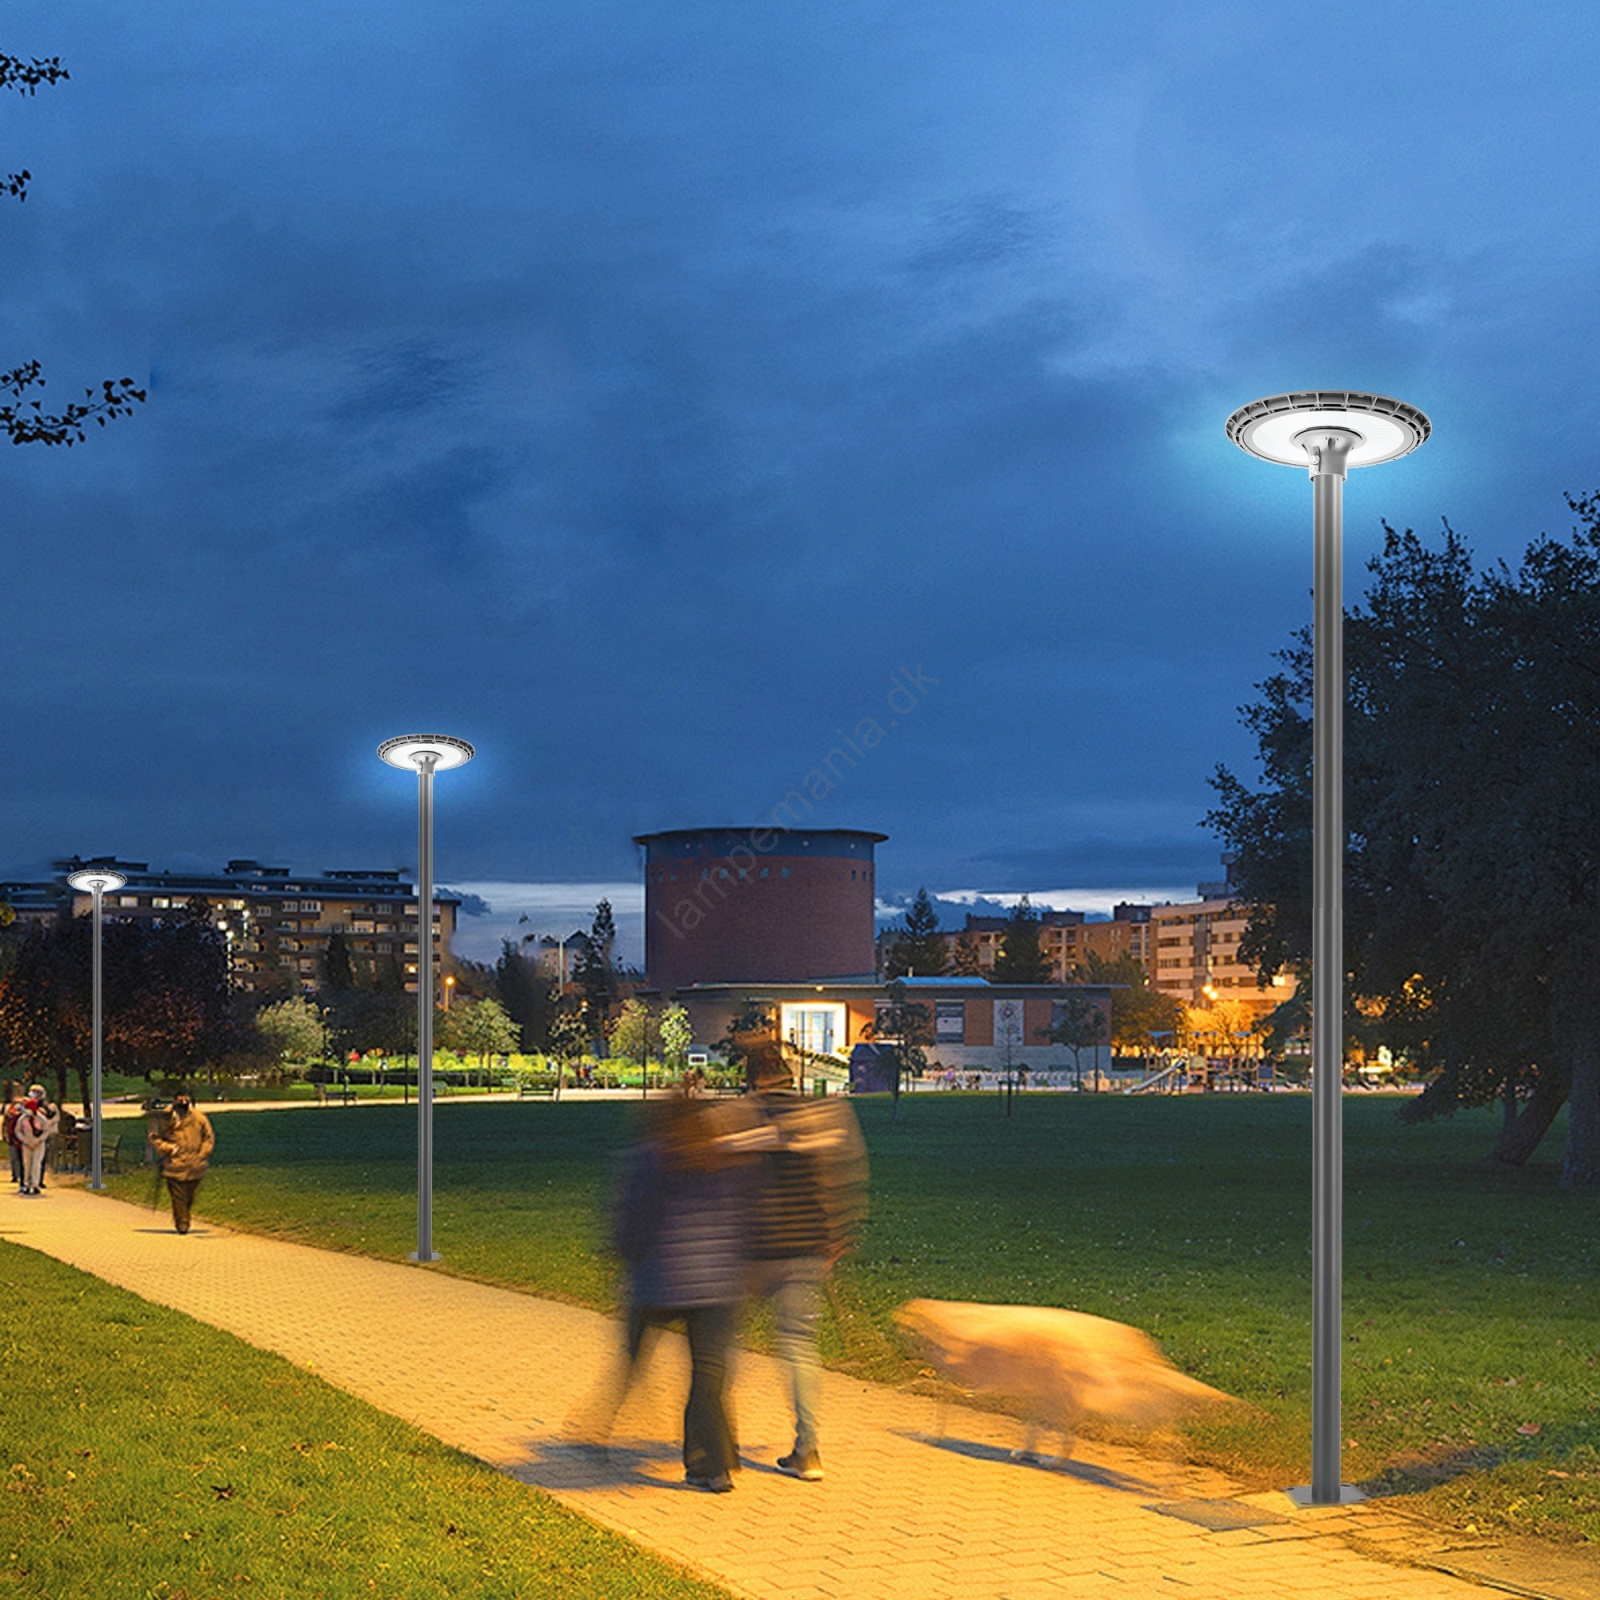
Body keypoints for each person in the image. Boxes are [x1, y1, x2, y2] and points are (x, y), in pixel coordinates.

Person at [611, 1093, 762, 1492]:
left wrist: (626, 1253)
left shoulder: (649, 1157)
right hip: (719, 1284)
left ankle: (607, 1416)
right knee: (709, 1376)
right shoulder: (721, 1156)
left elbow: (634, 1216)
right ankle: (713, 1465)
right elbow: (743, 1212)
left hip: (663, 1279)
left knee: (634, 1352)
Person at [745, 1041, 868, 1483]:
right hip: (807, 1247)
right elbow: (839, 1175)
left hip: (757, 1250)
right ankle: (808, 1448)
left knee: (719, 1344)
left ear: (754, 1079)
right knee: (799, 1345)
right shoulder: (816, 1115)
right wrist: (836, 1236)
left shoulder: (746, 1116)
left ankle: (714, 1444)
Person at [149, 1090, 215, 1234]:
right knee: (178, 1196)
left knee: (189, 1196)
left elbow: (208, 1138)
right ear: (174, 1100)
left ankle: (183, 1216)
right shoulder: (165, 1118)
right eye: (180, 1099)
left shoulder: (199, 1118)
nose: (183, 1102)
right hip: (174, 1164)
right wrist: (166, 1147)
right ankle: (182, 1223)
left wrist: (202, 1155)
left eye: (186, 1099)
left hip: (195, 1164)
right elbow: (155, 1136)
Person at [12, 1088, 57, 1196]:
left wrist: (39, 1140)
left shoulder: (41, 1119)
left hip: (38, 1144)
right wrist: (24, 1140)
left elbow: (46, 1130)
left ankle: (35, 1184)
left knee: (36, 1164)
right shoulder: (22, 1119)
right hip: (27, 1144)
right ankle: (27, 1184)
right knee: (27, 1164)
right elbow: (17, 1131)